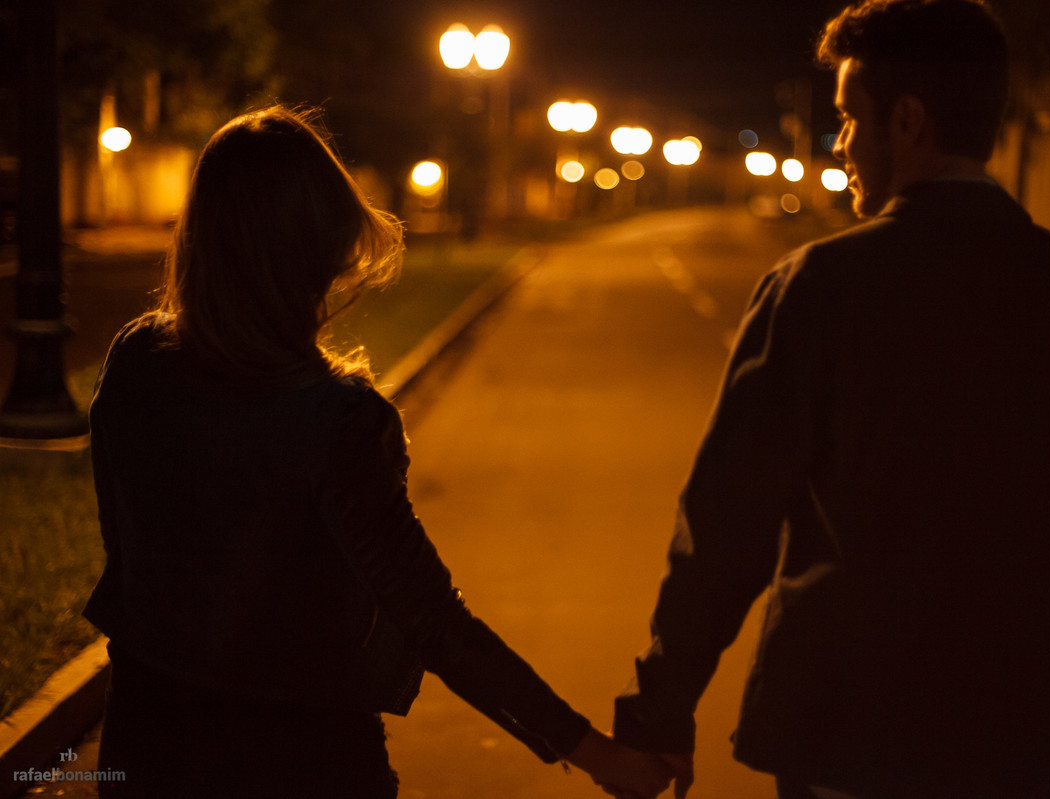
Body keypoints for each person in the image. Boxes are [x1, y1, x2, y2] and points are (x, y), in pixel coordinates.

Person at [611, 2, 1050, 798]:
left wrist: (659, 712)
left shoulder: (818, 288)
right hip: (1042, 745)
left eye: (850, 118)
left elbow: (726, 525)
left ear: (907, 121)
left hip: (848, 737)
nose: (840, 142)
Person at [82, 106, 672, 799]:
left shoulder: (138, 359)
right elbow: (431, 617)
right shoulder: (337, 420)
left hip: (146, 744)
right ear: (325, 254)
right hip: (303, 760)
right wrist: (596, 751)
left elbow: (122, 537)